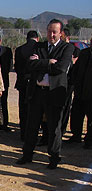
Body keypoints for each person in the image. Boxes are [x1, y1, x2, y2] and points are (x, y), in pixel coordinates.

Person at [16, 19, 74, 169]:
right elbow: (30, 65)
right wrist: (49, 62)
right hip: (37, 92)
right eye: (49, 31)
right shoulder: (38, 46)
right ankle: (27, 154)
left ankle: (54, 157)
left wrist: (41, 63)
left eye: (54, 32)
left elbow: (61, 68)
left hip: (54, 93)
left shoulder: (67, 48)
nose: (51, 34)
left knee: (54, 127)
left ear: (61, 33)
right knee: (32, 125)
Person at [14, 30, 39, 140]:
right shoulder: (39, 49)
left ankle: (23, 133)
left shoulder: (19, 50)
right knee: (34, 110)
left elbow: (16, 67)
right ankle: (32, 134)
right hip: (35, 84)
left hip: (22, 82)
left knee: (23, 108)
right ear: (37, 38)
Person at [69, 36, 92, 148]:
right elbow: (76, 70)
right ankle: (76, 135)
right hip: (79, 91)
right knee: (76, 114)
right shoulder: (84, 53)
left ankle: (89, 140)